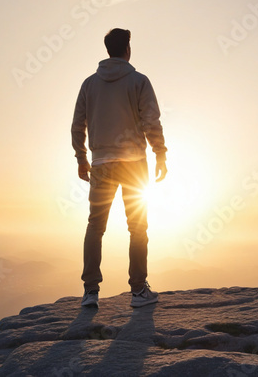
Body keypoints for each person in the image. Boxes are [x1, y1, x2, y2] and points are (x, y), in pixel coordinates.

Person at [71, 28, 168, 309]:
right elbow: (152, 121)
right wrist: (160, 153)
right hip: (134, 162)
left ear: (107, 50)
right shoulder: (139, 81)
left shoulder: (89, 84)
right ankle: (138, 291)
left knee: (95, 226)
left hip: (100, 163)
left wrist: (81, 158)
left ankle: (90, 292)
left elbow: (78, 124)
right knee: (137, 227)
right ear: (127, 49)